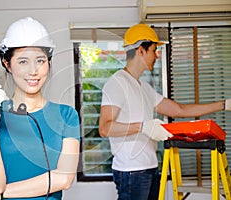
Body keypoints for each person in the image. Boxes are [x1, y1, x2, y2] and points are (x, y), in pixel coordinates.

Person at [98, 23, 231, 200]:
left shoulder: (143, 87)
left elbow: (178, 110)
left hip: (150, 168)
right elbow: (105, 128)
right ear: (141, 51)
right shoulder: (117, 83)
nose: (157, 55)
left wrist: (224, 104)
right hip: (131, 172)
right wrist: (143, 127)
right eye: (154, 50)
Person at [0, 17, 80, 200]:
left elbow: (64, 178)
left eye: (40, 61)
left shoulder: (66, 116)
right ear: (7, 63)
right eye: (23, 61)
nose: (33, 71)